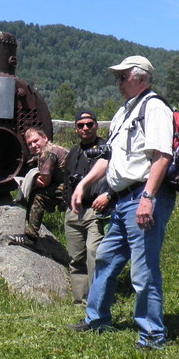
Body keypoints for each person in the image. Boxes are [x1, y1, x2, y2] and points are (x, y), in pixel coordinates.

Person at [69, 56, 176, 349]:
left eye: (122, 77)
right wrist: (84, 184)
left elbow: (162, 157)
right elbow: (109, 159)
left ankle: (152, 336)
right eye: (116, 77)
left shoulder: (154, 108)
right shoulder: (123, 113)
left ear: (140, 78)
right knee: (106, 257)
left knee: (143, 269)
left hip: (143, 196)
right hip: (122, 200)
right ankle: (96, 319)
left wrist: (148, 198)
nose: (117, 82)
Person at [62, 109, 112, 304]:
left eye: (89, 124)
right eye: (81, 125)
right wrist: (67, 204)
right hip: (74, 211)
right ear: (76, 129)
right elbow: (66, 180)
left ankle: (96, 301)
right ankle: (80, 300)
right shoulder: (73, 152)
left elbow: (116, 177)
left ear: (96, 126)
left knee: (94, 254)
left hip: (96, 209)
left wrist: (108, 196)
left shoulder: (106, 149)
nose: (85, 128)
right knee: (76, 258)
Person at [8, 126, 68, 249]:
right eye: (29, 144)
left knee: (38, 194)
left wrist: (34, 179)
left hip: (72, 189)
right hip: (71, 185)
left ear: (44, 138)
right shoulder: (50, 149)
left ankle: (30, 237)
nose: (33, 145)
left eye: (36, 141)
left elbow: (44, 183)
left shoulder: (48, 152)